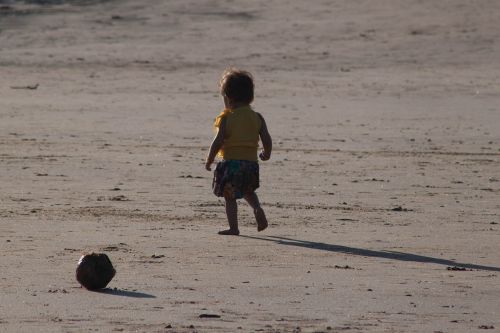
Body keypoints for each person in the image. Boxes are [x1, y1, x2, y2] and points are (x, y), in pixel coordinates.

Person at [205, 68, 272, 235]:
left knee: (230, 197)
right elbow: (267, 139)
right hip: (251, 163)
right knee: (248, 190)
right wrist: (267, 153)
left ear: (228, 97)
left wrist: (209, 159)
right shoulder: (257, 117)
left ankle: (234, 228)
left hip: (231, 163)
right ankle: (257, 209)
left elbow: (218, 141)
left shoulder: (227, 118)